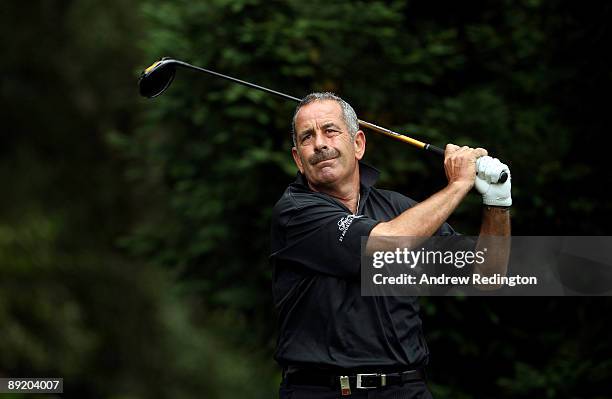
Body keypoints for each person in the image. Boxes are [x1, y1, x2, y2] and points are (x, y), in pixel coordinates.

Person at [270, 92, 511, 398]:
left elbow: (488, 275)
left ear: (358, 144)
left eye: (330, 130)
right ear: (298, 159)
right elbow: (386, 243)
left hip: (406, 388)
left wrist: (498, 201)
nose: (320, 144)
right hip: (324, 390)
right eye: (307, 137)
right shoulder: (295, 212)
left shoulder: (397, 208)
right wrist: (459, 185)